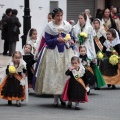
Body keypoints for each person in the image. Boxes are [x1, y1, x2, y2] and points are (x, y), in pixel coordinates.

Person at [34, 8, 74, 106]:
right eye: (57, 16)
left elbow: (71, 38)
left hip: (65, 52)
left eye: (61, 15)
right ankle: (55, 98)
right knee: (55, 74)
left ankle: (63, 96)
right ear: (53, 16)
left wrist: (70, 40)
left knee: (64, 74)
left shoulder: (67, 26)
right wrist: (57, 40)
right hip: (53, 52)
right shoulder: (49, 27)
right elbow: (47, 41)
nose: (59, 18)